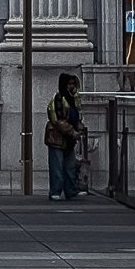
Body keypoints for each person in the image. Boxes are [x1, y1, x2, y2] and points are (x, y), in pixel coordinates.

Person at [44, 73, 83, 202]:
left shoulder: (72, 99)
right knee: (57, 167)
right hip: (57, 137)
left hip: (67, 138)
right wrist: (73, 131)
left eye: (73, 84)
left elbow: (74, 117)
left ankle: (70, 190)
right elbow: (58, 121)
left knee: (70, 167)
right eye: (69, 84)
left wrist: (78, 127)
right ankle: (56, 191)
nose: (71, 86)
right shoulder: (59, 99)